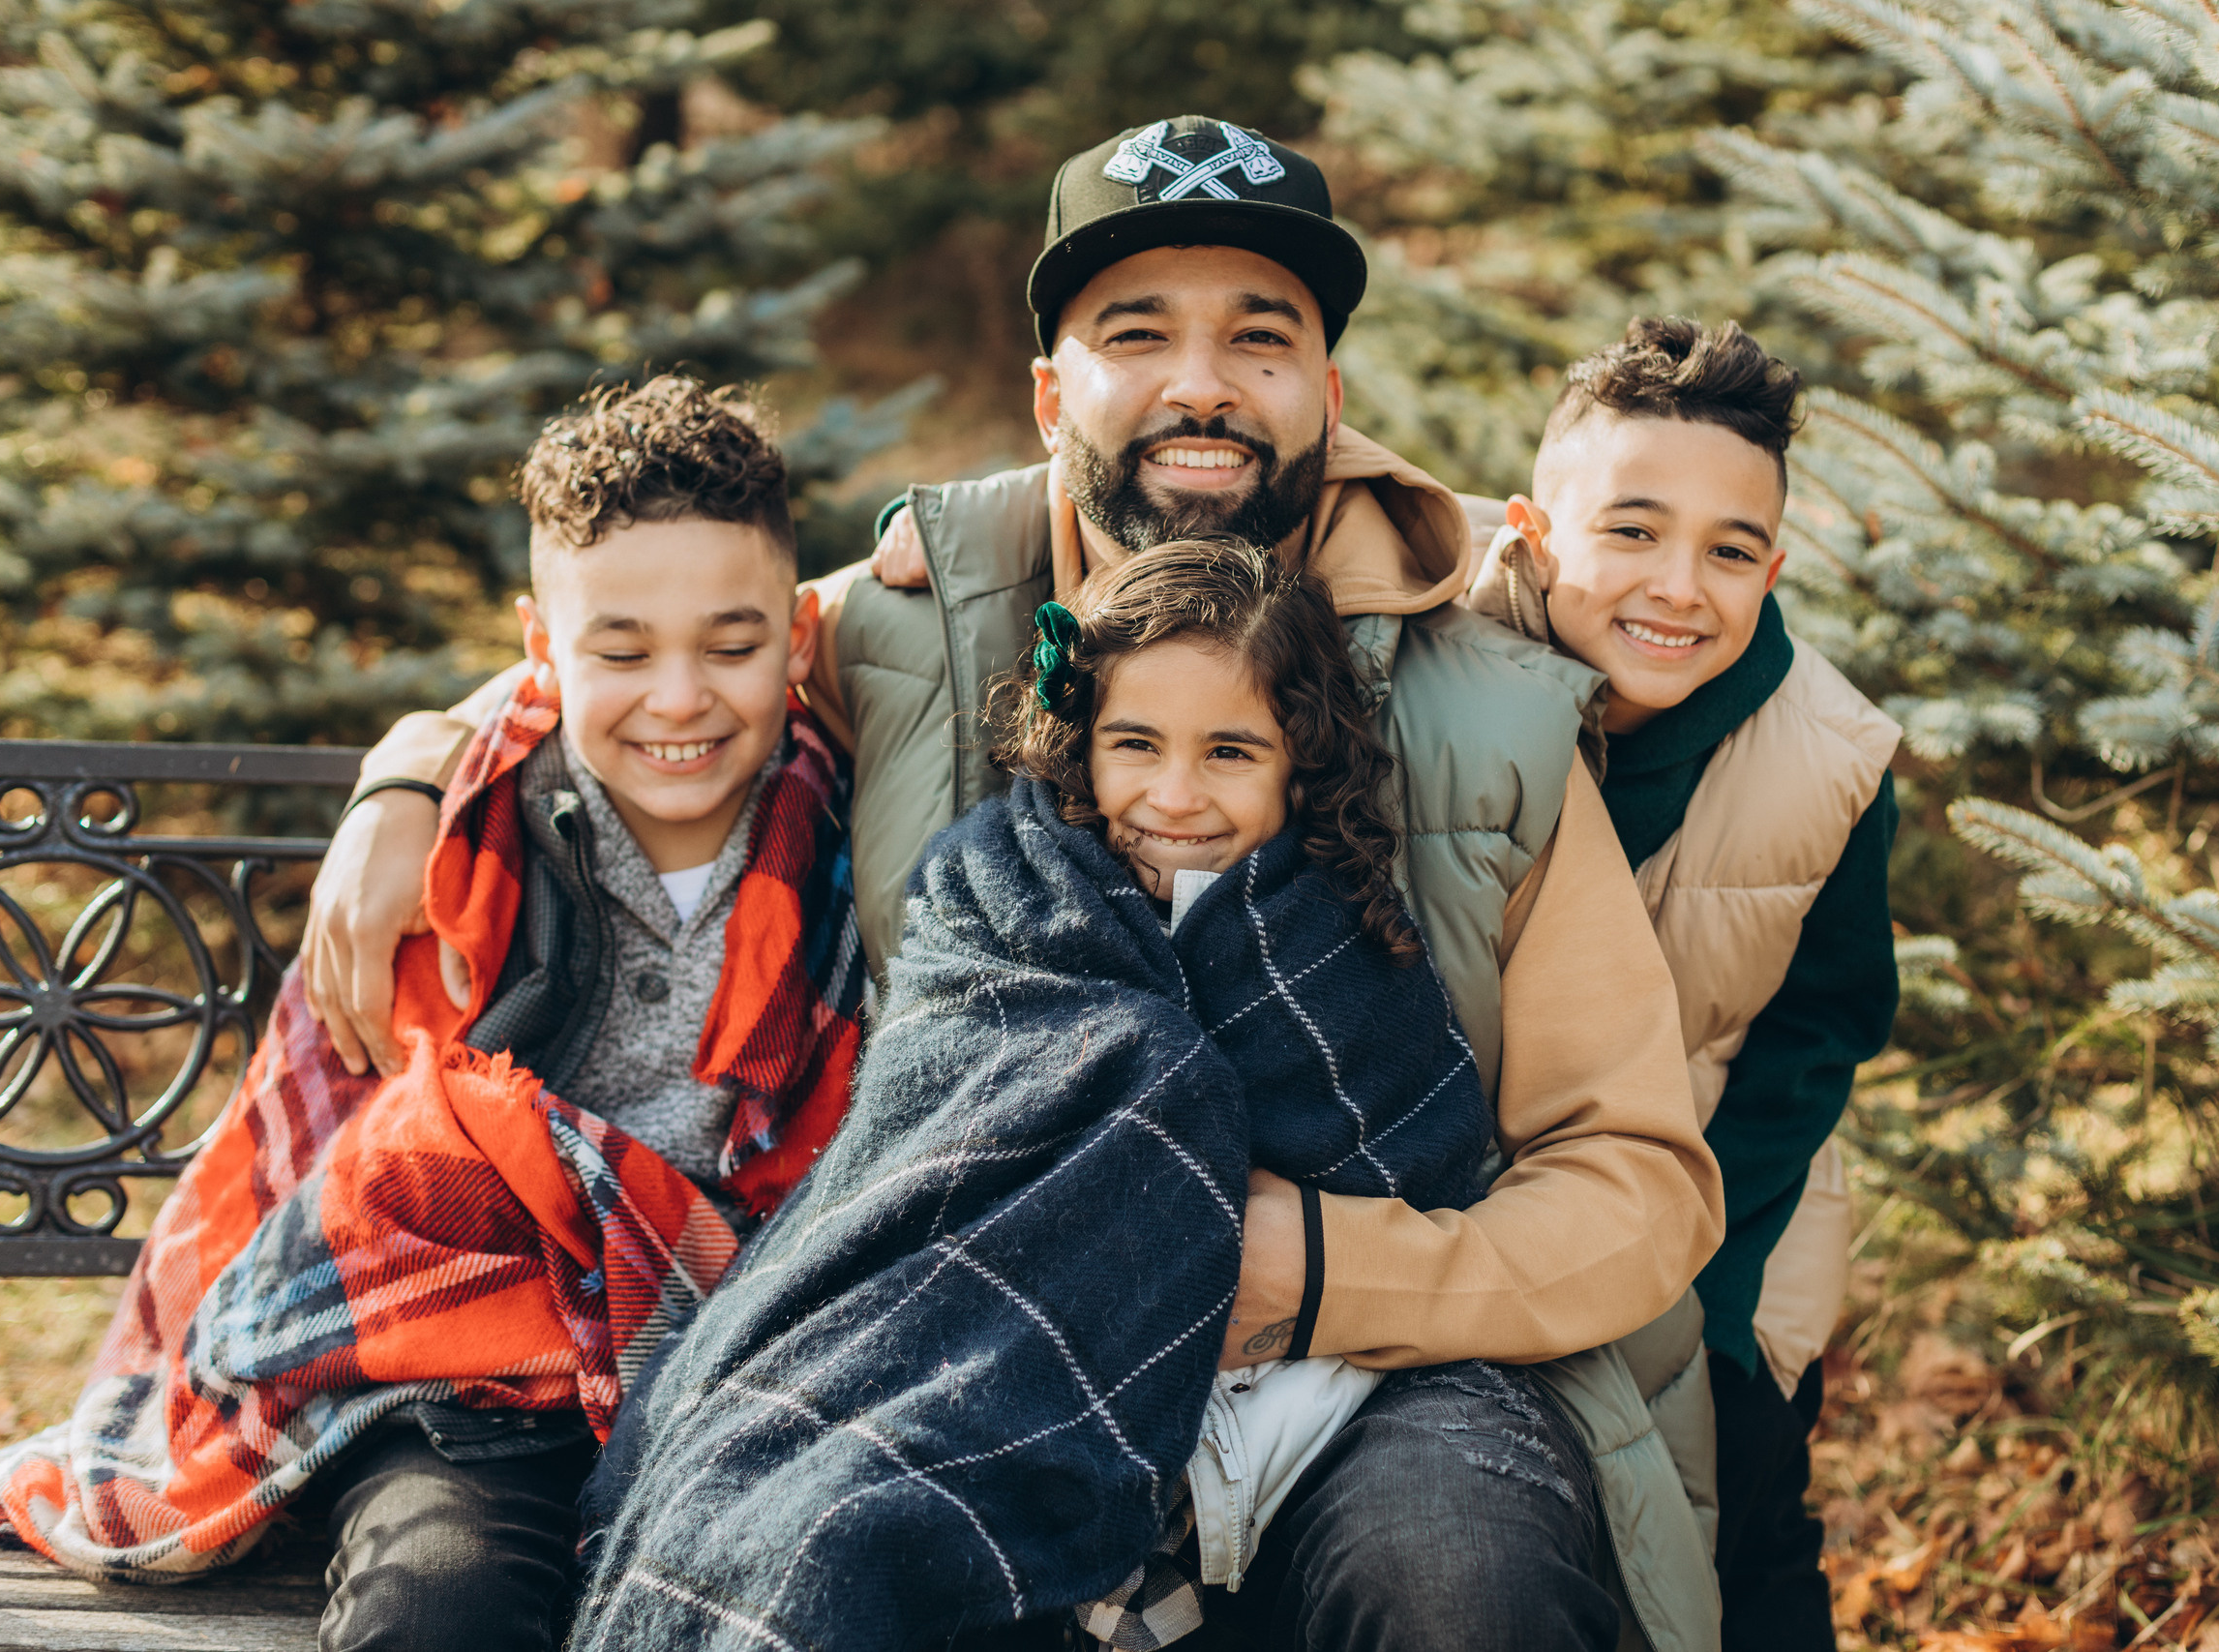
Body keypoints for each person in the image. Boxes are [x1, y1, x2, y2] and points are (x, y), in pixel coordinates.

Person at [308, 116, 1724, 1651]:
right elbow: (662, 651)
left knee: (1470, 1585)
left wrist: (1303, 1268)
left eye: (1261, 337)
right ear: (1053, 392)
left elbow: (1639, 1182)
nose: (1203, 383)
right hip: (984, 1326)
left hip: (1370, 1353)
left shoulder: (1486, 713)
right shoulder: (925, 621)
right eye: (1140, 333)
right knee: (840, 1553)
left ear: (1329, 391)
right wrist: (417, 764)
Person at [0, 376, 865, 1652]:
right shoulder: (457, 852)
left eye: (730, 643)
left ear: (799, 633)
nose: (677, 697)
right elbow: (357, 1166)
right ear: (540, 647)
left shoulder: (852, 843)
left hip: (727, 1360)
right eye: (621, 648)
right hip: (459, 1371)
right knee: (440, 1605)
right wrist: (407, 776)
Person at [574, 539, 1584, 1652]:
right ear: (1080, 743)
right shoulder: (998, 897)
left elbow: (1415, 1152)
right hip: (998, 1347)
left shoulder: (1344, 943)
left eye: (1231, 752)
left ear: (1296, 763)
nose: (1174, 795)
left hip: (1318, 1387)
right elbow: (927, 1163)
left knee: (1469, 1572)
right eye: (1134, 745)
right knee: (827, 1526)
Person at [1463, 316, 1902, 1652]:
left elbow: (1816, 1037)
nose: (1679, 585)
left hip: (1723, 1224)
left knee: (1738, 1537)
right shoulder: (1429, 659)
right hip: (1459, 1214)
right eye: (1634, 530)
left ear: (1773, 566)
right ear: (1539, 532)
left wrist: (1694, 1284)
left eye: (1728, 551)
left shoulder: (1830, 759)